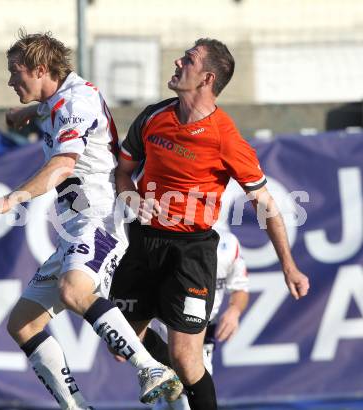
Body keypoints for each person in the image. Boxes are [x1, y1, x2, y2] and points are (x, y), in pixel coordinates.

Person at [0, 30, 182, 410]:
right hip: (74, 229)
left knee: (75, 291)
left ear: (40, 69)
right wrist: (26, 111)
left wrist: (11, 199)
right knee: (23, 324)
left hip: (100, 222)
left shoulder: (76, 102)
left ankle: (150, 368)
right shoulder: (61, 98)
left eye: (14, 72)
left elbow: (62, 165)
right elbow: (52, 107)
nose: (10, 81)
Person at [109, 37, 310, 410]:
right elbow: (121, 172)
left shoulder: (225, 138)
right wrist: (131, 197)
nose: (177, 62)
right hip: (141, 242)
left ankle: (185, 383)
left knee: (187, 359)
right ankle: (171, 378)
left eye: (188, 60)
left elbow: (265, 204)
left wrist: (289, 266)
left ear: (206, 78)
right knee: (120, 347)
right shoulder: (154, 116)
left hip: (191, 251)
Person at [149, 228, 249, 410]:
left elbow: (240, 289)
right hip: (168, 325)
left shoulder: (229, 244)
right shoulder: (167, 238)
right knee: (175, 394)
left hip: (205, 329)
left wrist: (234, 310)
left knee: (190, 391)